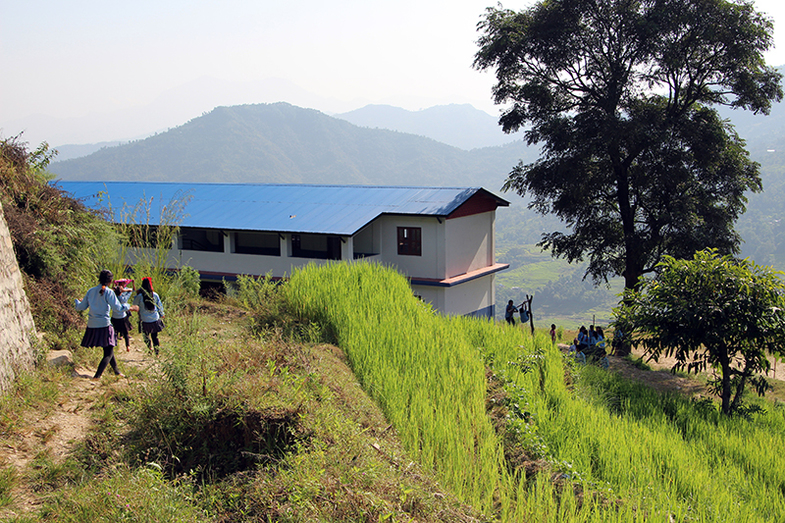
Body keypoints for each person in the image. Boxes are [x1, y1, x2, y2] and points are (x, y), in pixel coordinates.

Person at [74, 269, 138, 379]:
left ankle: (117, 371)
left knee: (108, 348)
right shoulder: (109, 292)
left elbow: (80, 307)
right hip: (104, 325)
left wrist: (76, 301)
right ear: (111, 281)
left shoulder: (91, 291)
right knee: (108, 352)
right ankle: (97, 376)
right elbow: (117, 308)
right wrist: (130, 307)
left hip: (92, 324)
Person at [133, 277, 165, 355]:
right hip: (154, 319)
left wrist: (136, 294)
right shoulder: (155, 295)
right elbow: (159, 306)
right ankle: (157, 353)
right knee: (155, 337)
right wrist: (162, 314)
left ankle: (149, 348)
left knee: (145, 335)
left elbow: (134, 304)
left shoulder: (140, 296)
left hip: (144, 320)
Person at [111, 280, 134, 352]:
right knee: (126, 332)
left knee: (114, 331)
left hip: (114, 317)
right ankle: (127, 346)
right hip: (122, 317)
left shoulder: (113, 298)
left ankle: (114, 344)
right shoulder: (123, 299)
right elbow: (131, 290)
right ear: (121, 292)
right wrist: (124, 290)